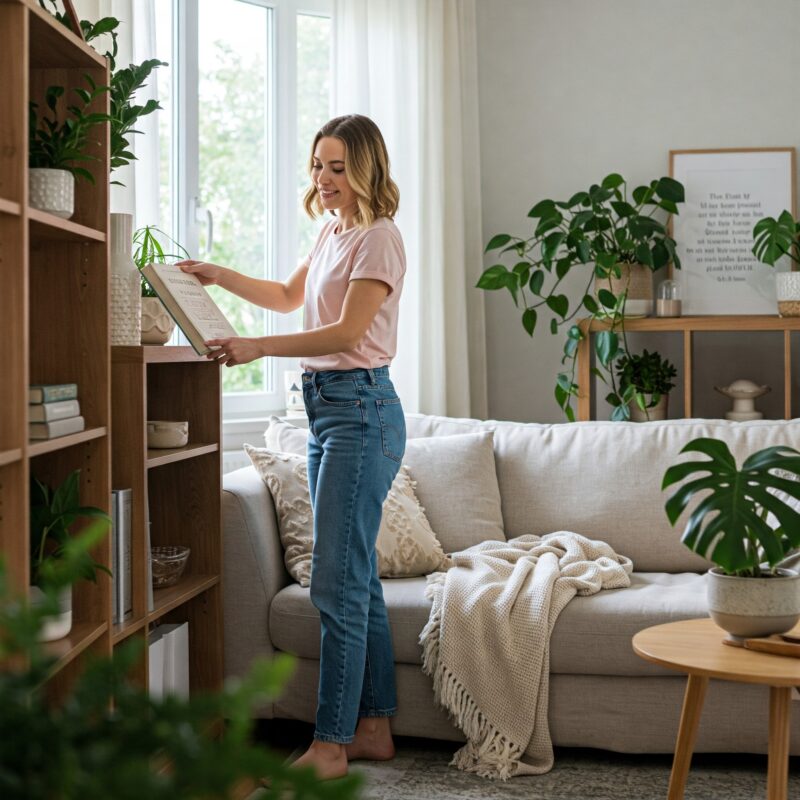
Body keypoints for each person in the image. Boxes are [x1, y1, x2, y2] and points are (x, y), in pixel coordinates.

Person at [177, 114, 406, 780]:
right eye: (317, 165)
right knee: (355, 578)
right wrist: (217, 275)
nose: (323, 179)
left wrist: (256, 348)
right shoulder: (333, 231)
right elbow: (285, 296)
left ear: (364, 169)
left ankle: (329, 747)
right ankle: (373, 730)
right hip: (326, 412)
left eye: (337, 167)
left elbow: (345, 333)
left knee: (335, 583)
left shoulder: (380, 238)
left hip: (361, 411)